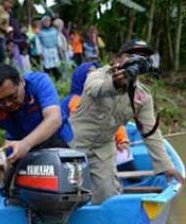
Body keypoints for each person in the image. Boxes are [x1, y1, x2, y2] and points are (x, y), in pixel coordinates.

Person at [69, 39, 182, 204]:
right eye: (130, 55)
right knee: (68, 193)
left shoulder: (142, 97)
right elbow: (95, 89)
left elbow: (150, 133)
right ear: (117, 59)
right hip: (74, 143)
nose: (135, 60)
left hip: (103, 148)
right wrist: (115, 83)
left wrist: (167, 167)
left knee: (107, 196)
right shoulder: (97, 75)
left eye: (142, 58)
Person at [0, 64, 72, 171]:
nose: (8, 104)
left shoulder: (38, 82)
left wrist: (26, 144)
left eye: (12, 97)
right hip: (19, 150)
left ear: (22, 82)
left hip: (58, 141)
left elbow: (54, 119)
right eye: (0, 101)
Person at [36, 15, 61, 80]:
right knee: (46, 67)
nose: (47, 22)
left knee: (55, 66)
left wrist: (59, 47)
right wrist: (40, 52)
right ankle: (46, 80)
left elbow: (58, 39)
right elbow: (38, 43)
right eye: (45, 21)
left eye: (48, 21)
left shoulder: (54, 30)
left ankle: (58, 79)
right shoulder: (40, 32)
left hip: (53, 50)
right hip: (45, 51)